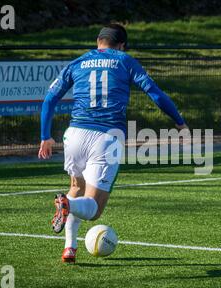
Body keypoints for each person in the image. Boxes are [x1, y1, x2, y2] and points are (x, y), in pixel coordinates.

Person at [38, 23, 187, 263]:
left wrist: (45, 136)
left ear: (98, 41)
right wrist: (179, 122)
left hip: (74, 133)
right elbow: (155, 93)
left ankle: (70, 248)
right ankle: (65, 204)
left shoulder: (78, 62)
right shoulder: (125, 61)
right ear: (122, 45)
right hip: (106, 137)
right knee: (93, 210)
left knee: (76, 188)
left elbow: (50, 99)